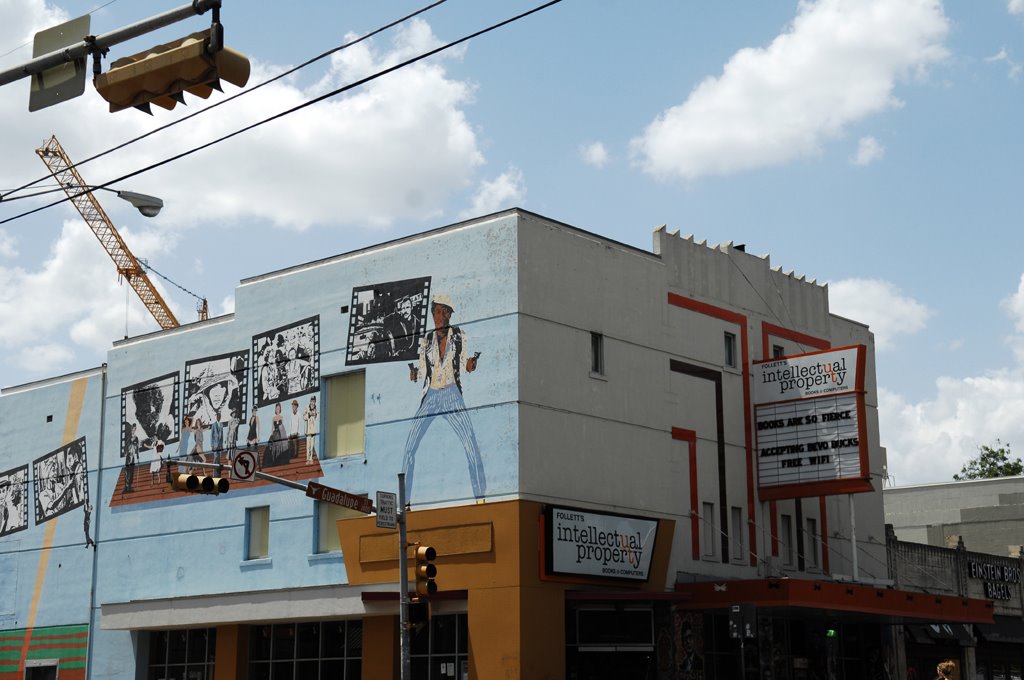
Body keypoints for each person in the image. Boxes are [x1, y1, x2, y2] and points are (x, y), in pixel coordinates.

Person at [402, 293, 485, 501]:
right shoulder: (426, 340)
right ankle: (404, 503)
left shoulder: (458, 335)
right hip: (430, 396)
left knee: (470, 444)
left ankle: (481, 498)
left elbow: (465, 364)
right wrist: (414, 375)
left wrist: (471, 364)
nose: (439, 317)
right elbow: (422, 370)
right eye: (437, 312)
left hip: (451, 394)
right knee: (410, 446)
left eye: (443, 312)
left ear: (449, 315)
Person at [303, 396, 319, 462]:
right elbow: (304, 417)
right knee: (308, 446)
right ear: (310, 401)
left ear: (315, 402)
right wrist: (309, 414)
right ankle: (307, 458)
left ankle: (311, 458)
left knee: (312, 446)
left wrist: (315, 414)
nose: (312, 402)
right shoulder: (306, 408)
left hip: (314, 430)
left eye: (313, 401)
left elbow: (318, 417)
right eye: (311, 401)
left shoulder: (316, 409)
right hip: (308, 430)